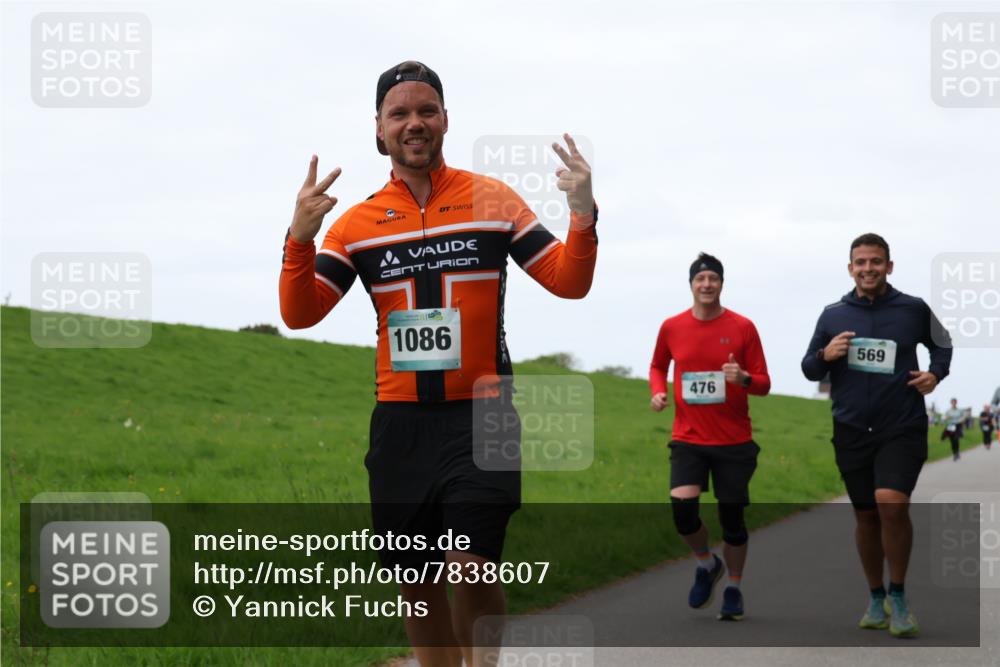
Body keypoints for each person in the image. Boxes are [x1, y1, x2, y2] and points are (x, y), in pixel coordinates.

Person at [278, 61, 598, 667]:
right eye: (399, 114)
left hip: (484, 418)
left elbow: (569, 282)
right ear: (379, 129)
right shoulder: (355, 225)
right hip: (401, 427)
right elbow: (301, 313)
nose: (414, 123)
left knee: (471, 566)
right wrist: (299, 238)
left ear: (446, 120)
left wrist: (582, 213)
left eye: (426, 110)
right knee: (418, 585)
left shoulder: (493, 200)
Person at [801, 233, 952, 638]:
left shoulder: (913, 309)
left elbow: (943, 343)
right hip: (851, 427)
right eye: (861, 262)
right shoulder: (832, 314)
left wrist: (935, 373)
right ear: (850, 268)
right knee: (866, 515)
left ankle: (899, 596)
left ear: (889, 265)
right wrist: (824, 356)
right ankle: (874, 596)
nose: (868, 269)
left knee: (890, 503)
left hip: (901, 425)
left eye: (876, 261)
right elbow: (809, 367)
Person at [648, 253, 771, 622]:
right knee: (682, 510)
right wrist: (658, 391)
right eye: (700, 279)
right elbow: (658, 364)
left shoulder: (743, 327)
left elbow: (764, 384)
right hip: (688, 437)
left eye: (713, 279)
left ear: (721, 284)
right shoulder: (672, 326)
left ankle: (733, 587)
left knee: (731, 520)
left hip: (734, 441)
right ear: (691, 284)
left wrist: (743, 379)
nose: (706, 284)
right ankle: (706, 563)